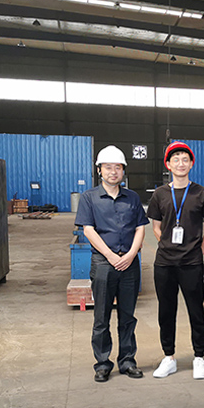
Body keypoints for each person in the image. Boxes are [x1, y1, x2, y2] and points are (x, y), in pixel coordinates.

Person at [76, 145, 149, 382]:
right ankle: (102, 363)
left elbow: (140, 228)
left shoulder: (133, 198)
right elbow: (88, 230)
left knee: (127, 317)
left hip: (129, 264)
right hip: (103, 264)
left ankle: (127, 361)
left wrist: (131, 254)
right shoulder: (89, 198)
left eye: (117, 167)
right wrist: (110, 256)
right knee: (102, 317)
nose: (113, 172)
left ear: (123, 170)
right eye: (108, 167)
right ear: (99, 170)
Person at [147, 141, 204, 379]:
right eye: (175, 159)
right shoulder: (159, 194)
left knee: (196, 310)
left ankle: (199, 357)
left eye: (185, 159)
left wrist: (196, 253)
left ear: (191, 164)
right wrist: (168, 245)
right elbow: (156, 227)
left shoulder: (202, 194)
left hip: (191, 264)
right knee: (166, 311)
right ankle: (169, 357)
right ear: (168, 164)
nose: (180, 163)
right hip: (164, 263)